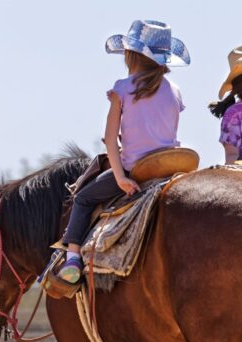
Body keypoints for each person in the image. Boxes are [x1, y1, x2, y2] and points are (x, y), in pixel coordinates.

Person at [57, 19, 189, 284]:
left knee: (83, 198)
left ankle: (71, 259)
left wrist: (120, 178)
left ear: (131, 55)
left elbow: (109, 139)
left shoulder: (123, 88)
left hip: (136, 169)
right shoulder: (175, 90)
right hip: (169, 167)